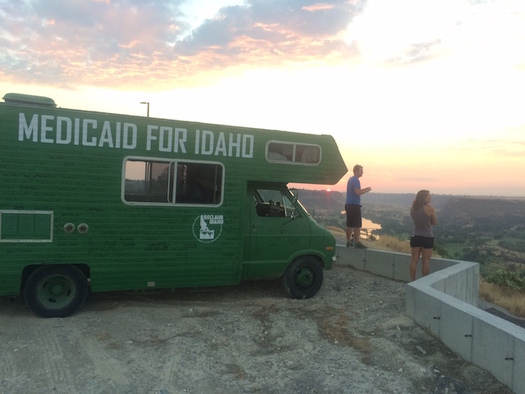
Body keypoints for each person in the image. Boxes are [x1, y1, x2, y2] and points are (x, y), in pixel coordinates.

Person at [409, 189, 437, 281]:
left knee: (414, 260)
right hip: (427, 237)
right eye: (428, 196)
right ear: (424, 197)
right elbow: (434, 222)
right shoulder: (430, 208)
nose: (430, 197)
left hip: (415, 236)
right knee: (426, 261)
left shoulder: (413, 208)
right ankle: (424, 281)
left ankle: (412, 280)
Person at [345, 164, 372, 248]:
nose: (362, 172)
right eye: (361, 170)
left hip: (348, 204)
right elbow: (357, 192)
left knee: (349, 224)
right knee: (357, 225)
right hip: (354, 205)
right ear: (356, 171)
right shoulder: (356, 180)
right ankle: (357, 242)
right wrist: (366, 190)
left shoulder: (350, 179)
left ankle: (348, 242)